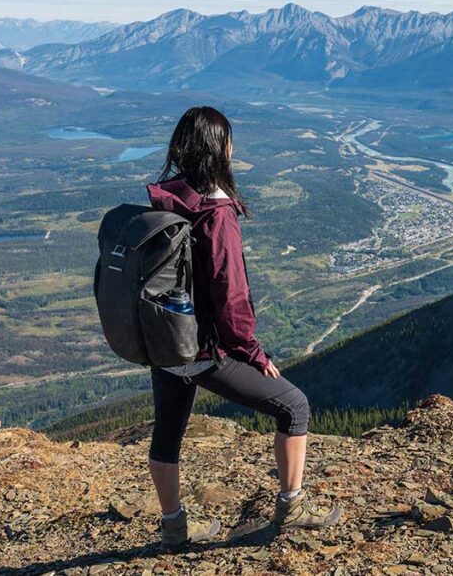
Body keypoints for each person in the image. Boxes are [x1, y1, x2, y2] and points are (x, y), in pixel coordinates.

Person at [145, 106, 341, 549]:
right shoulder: (216, 214)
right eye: (229, 141)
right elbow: (231, 298)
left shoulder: (166, 197)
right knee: (294, 406)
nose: (233, 148)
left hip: (165, 342)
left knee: (167, 433)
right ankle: (292, 506)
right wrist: (253, 353)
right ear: (219, 149)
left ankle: (174, 528)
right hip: (203, 350)